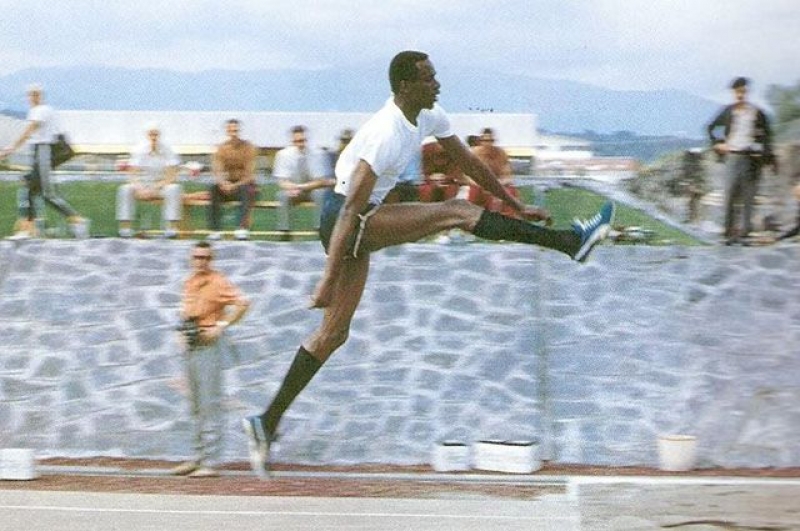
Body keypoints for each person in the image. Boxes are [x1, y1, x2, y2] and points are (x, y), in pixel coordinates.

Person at [242, 51, 614, 477]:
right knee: (456, 212)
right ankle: (570, 242)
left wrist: (515, 204)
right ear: (405, 86)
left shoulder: (428, 115)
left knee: (333, 334)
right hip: (344, 219)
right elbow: (348, 211)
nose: (437, 84)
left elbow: (470, 163)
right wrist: (327, 279)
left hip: (360, 218)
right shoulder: (386, 134)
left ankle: (265, 422)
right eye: (429, 78)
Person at [174, 241, 250, 478]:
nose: (201, 262)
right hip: (192, 344)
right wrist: (180, 333)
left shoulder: (218, 282)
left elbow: (243, 303)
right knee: (195, 404)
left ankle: (211, 461)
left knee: (210, 403)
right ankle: (197, 457)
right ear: (191, 259)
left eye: (206, 257)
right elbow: (185, 312)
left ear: (211, 260)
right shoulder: (189, 282)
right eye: (197, 257)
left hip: (209, 345)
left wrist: (221, 326)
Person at [0, 83, 89, 239]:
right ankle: (29, 228)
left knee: (47, 193)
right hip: (38, 152)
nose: (33, 97)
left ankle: (77, 220)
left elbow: (29, 131)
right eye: (31, 94)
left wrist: (11, 148)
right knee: (30, 187)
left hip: (43, 151)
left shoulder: (41, 110)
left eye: (36, 94)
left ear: (41, 96)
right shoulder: (40, 111)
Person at [707, 76, 777, 245]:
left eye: (743, 92)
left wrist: (766, 155)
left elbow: (768, 135)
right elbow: (711, 128)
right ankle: (728, 234)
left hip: (750, 158)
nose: (740, 95)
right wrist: (718, 144)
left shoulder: (756, 113)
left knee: (748, 197)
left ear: (747, 92)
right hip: (732, 156)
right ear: (734, 93)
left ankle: (745, 235)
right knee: (730, 194)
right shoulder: (728, 111)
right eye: (737, 92)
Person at [116, 123, 182, 238]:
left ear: (160, 135)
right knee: (124, 189)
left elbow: (171, 176)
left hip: (161, 186)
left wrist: (156, 187)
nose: (153, 137)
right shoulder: (138, 150)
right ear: (146, 135)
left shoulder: (168, 150)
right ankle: (125, 229)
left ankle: (171, 229)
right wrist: (140, 188)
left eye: (156, 134)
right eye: (151, 134)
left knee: (174, 189)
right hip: (142, 186)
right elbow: (132, 174)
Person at [272, 125, 335, 237]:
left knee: (321, 194)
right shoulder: (283, 155)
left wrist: (299, 187)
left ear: (307, 139)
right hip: (294, 189)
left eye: (303, 140)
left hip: (313, 189)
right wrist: (291, 188)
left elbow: (321, 181)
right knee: (282, 196)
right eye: (297, 141)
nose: (300, 144)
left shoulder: (318, 154)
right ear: (292, 141)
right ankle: (284, 231)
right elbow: (282, 181)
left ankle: (320, 228)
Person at [208, 119, 258, 241]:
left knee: (247, 190)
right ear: (227, 132)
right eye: (231, 131)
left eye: (235, 131)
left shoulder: (248, 147)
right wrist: (223, 183)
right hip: (228, 185)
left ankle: (242, 229)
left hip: (244, 184)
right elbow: (217, 170)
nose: (233, 134)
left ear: (239, 131)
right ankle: (215, 230)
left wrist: (235, 185)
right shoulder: (222, 148)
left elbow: (249, 174)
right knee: (213, 189)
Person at [470, 127, 522, 218]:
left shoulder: (501, 153)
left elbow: (507, 175)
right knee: (474, 191)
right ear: (480, 141)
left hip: (498, 184)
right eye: (485, 141)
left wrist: (499, 184)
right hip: (479, 184)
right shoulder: (474, 153)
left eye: (490, 141)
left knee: (511, 191)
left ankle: (511, 218)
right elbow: (469, 174)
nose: (488, 143)